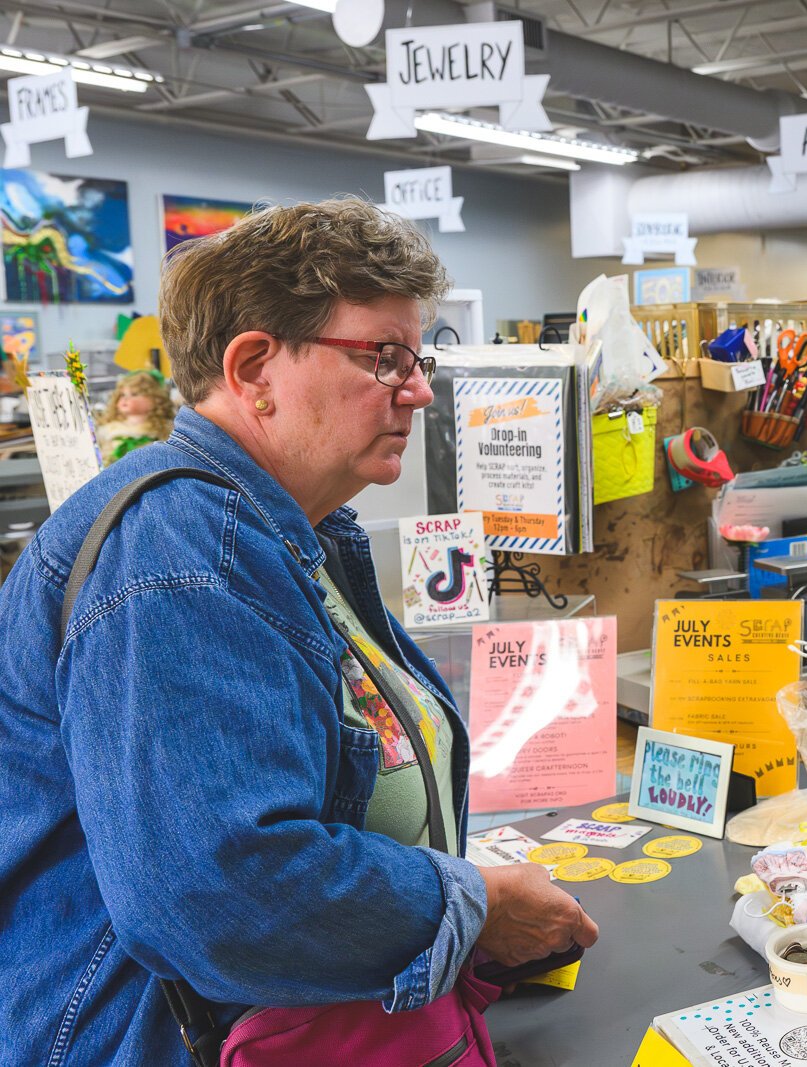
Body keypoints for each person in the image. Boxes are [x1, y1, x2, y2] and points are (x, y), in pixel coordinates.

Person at [0, 198, 598, 1065]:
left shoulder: (292, 532)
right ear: (253, 369)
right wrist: (471, 908)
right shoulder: (175, 556)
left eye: (418, 356)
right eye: (384, 356)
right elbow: (219, 886)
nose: (421, 387)